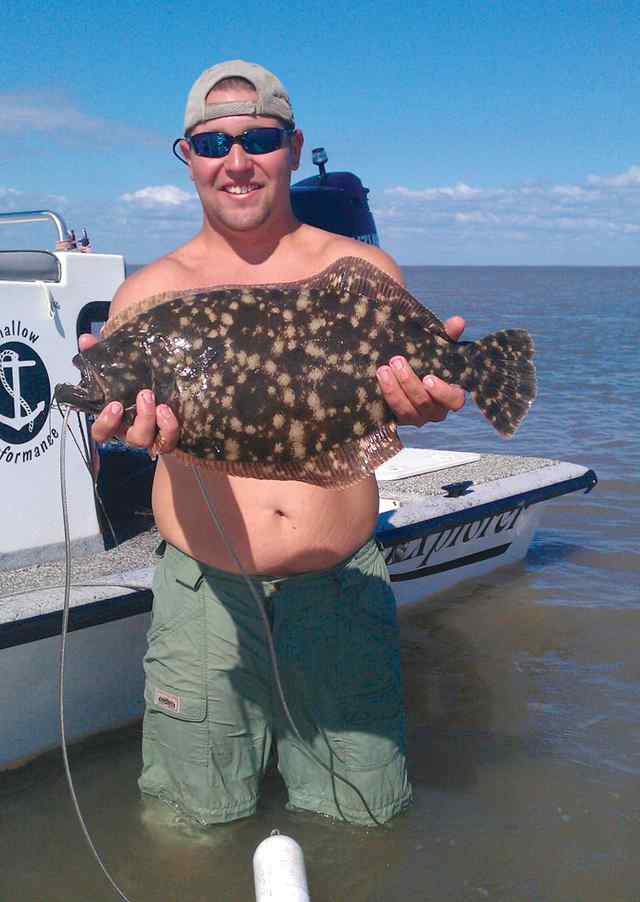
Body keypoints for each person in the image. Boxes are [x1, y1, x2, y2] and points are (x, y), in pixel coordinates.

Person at [80, 60, 465, 826]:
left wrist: (421, 403)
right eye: (212, 142)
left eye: (257, 137)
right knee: (189, 824)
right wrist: (120, 433)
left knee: (366, 820)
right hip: (204, 598)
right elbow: (106, 435)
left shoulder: (362, 270)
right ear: (187, 156)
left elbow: (397, 400)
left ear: (292, 146)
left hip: (341, 587)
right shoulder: (146, 295)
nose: (237, 159)